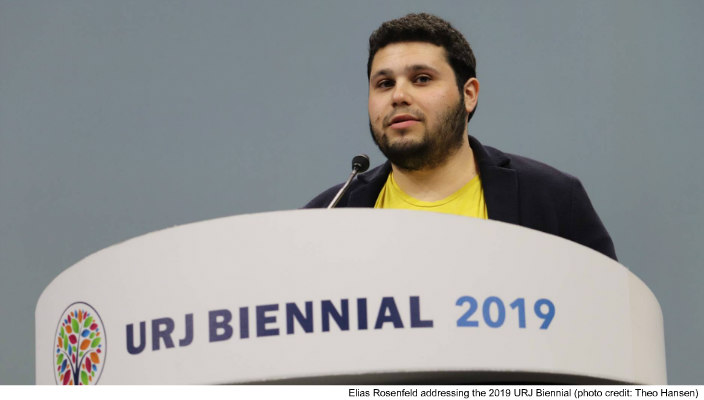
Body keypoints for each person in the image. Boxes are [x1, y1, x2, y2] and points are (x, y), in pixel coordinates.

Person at [304, 13, 616, 261]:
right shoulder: (328, 215)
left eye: (421, 79)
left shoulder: (552, 200)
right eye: (384, 83)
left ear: (468, 95)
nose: (398, 95)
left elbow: (607, 318)